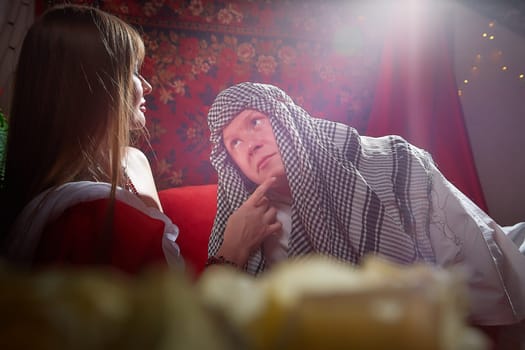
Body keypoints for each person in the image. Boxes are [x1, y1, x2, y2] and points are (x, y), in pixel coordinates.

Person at [206, 82, 524, 343]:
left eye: (255, 122)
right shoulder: (243, 225)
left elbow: (478, 280)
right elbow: (214, 330)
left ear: (286, 117)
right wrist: (233, 249)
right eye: (233, 143)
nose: (249, 145)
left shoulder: (395, 163)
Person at [0, 4, 182, 274]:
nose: (147, 86)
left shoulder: (133, 163)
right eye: (132, 71)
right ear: (94, 87)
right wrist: (233, 251)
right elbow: (169, 307)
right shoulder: (92, 217)